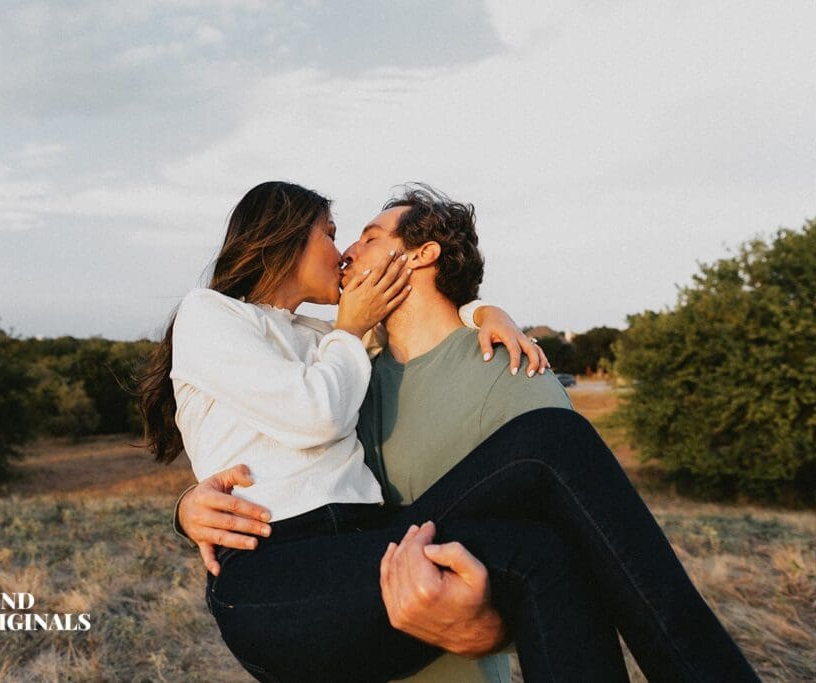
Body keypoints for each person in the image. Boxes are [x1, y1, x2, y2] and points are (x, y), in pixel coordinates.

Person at [152, 182, 761, 682]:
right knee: (556, 446)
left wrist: (484, 311)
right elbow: (318, 410)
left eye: (356, 238)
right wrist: (184, 509)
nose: (342, 254)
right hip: (277, 575)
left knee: (547, 544)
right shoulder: (211, 315)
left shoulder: (320, 339)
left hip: (368, 546)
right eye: (334, 235)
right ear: (282, 234)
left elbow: (411, 324)